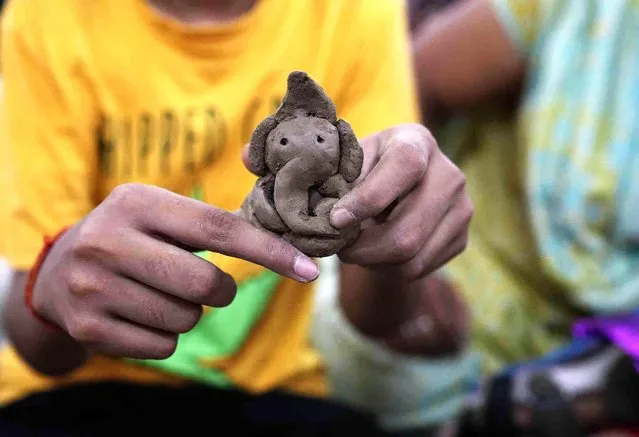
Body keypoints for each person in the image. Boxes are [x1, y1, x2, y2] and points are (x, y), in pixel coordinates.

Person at [0, 0, 476, 435]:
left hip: (275, 396)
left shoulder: (353, 13)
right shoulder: (51, 16)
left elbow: (373, 315)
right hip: (74, 398)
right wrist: (51, 284)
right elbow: (38, 348)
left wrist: (396, 224)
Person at [412, 0, 639, 434]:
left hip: (586, 367)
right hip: (443, 306)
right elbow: (410, 82)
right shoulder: (591, 12)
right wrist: (405, 260)